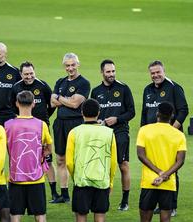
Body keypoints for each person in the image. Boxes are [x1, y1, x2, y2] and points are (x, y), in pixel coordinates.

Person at [63, 98, 117, 222]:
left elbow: (69, 162)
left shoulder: (74, 132)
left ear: (82, 113)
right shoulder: (109, 133)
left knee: (81, 220)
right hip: (102, 181)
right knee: (100, 220)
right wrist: (110, 181)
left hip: (82, 181)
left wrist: (75, 177)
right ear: (99, 113)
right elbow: (114, 161)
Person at [5, 90, 52, 222]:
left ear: (17, 103)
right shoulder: (41, 125)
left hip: (16, 178)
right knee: (40, 218)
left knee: (15, 218)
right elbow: (48, 147)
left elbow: (4, 147)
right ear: (33, 104)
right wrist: (42, 155)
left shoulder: (8, 125)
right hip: (36, 179)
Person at [137, 102, 186, 222]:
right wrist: (165, 175)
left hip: (149, 183)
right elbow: (180, 161)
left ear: (157, 113)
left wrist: (157, 172)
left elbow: (140, 155)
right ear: (172, 115)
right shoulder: (178, 135)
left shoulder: (145, 130)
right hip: (169, 184)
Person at [141, 60, 188, 216]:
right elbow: (144, 113)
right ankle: (158, 204)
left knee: (172, 168)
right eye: (152, 73)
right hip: (152, 137)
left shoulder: (174, 87)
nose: (155, 75)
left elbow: (183, 110)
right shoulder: (147, 89)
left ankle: (171, 206)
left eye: (158, 72)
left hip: (170, 138)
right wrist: (144, 131)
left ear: (164, 71)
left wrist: (171, 130)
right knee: (153, 166)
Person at [10, 61, 60, 202]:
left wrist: (45, 117)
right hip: (23, 131)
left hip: (41, 128)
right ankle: (23, 187)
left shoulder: (42, 85)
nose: (29, 76)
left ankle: (54, 192)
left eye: (31, 73)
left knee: (47, 158)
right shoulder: (16, 87)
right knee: (25, 156)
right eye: (26, 74)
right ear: (21, 74)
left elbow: (52, 104)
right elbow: (12, 106)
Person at [91, 59, 135, 211]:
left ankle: (125, 200)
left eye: (113, 71)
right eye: (108, 72)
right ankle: (104, 200)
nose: (111, 74)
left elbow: (132, 112)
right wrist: (98, 121)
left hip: (120, 131)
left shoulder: (123, 89)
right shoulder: (96, 91)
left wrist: (117, 119)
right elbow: (93, 113)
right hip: (102, 133)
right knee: (102, 167)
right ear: (102, 72)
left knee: (123, 165)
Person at [50, 53, 90, 203]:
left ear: (78, 64)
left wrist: (60, 98)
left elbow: (75, 104)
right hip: (60, 123)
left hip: (76, 124)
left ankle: (81, 191)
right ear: (64, 66)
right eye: (67, 65)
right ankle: (65, 194)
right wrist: (66, 99)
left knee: (78, 159)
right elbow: (52, 103)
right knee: (60, 159)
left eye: (73, 65)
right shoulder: (60, 81)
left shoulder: (84, 83)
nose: (70, 68)